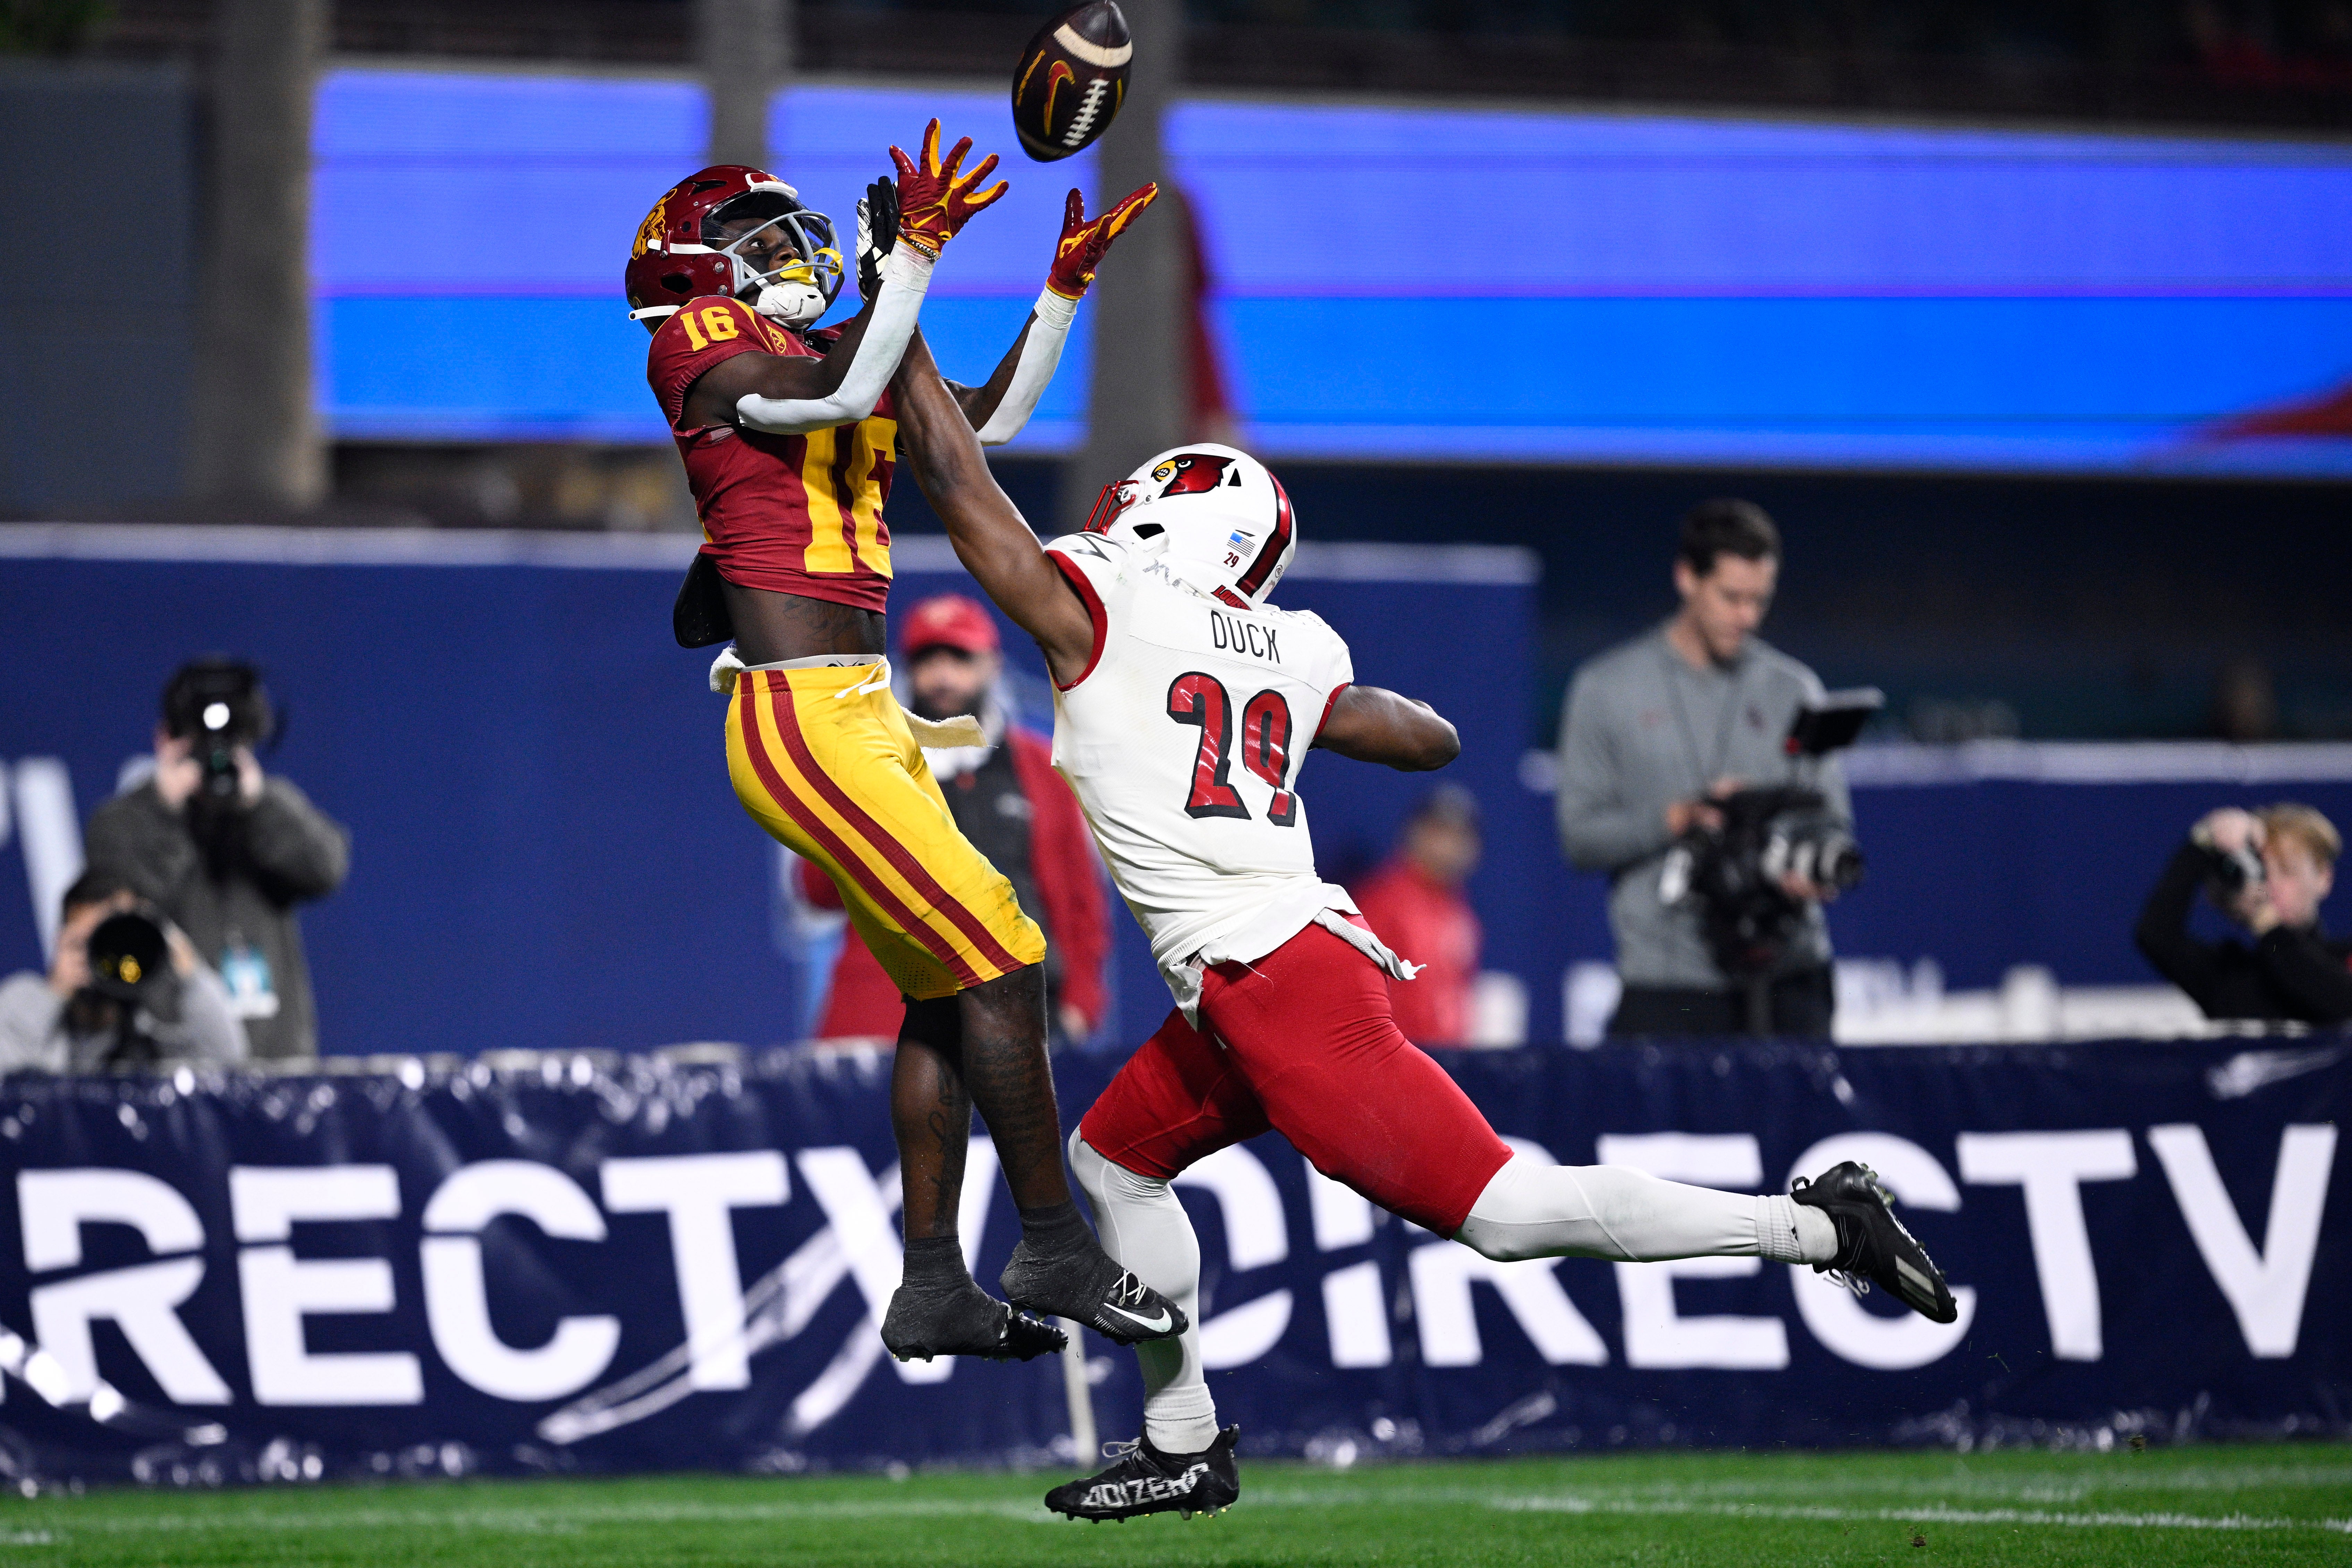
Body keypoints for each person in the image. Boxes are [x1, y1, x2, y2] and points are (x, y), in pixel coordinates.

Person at [884, 338, 1957, 1525]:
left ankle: (1817, 1221)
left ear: (1181, 520)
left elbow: (953, 479)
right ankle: (1180, 1433)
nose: (1126, 505)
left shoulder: (1105, 609)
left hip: (1276, 982)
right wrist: (1293, 707)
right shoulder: (1292, 645)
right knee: (1113, 1157)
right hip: (1260, 969)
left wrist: (905, 317)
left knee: (1505, 1209)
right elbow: (1426, 734)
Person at [632, 121, 1182, 1362]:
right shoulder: (699, 346)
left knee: (949, 981)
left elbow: (970, 426)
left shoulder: (824, 346)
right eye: (758, 240)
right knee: (1004, 945)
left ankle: (930, 1279)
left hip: (860, 706)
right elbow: (832, 392)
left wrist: (1055, 292)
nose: (791, 254)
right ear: (692, 269)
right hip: (798, 711)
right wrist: (910, 266)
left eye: (796, 233)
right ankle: (1048, 1236)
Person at [1556, 500, 1850, 1037]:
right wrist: (1676, 818)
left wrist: (1806, 869)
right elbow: (1579, 838)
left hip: (1790, 978)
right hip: (1671, 989)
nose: (1747, 617)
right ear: (1687, 577)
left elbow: (1834, 823)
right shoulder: (1605, 690)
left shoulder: (1795, 690)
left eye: (1759, 600)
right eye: (1731, 597)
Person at [794, 593, 1110, 1048]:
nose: (943, 675)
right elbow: (816, 890)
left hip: (1021, 1016)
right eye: (927, 658)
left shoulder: (1043, 769)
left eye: (960, 657)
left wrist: (1080, 1004)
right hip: (890, 1019)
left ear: (992, 665)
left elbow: (1081, 902)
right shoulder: (873, 763)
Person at [84, 660, 347, 1061]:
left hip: (275, 1066)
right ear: (163, 739)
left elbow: (326, 869)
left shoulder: (265, 807)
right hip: (168, 1064)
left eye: (228, 738)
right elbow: (124, 906)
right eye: (196, 739)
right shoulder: (123, 821)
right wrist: (167, 811)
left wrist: (257, 805)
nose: (213, 752)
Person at [0, 870, 247, 1073]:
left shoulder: (150, 1031)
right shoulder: (24, 1002)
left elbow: (228, 1063)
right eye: (88, 940)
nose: (106, 954)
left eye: (115, 938)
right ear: (64, 939)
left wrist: (186, 967)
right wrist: (55, 992)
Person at [2135, 804, 2352, 1024]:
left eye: (2287, 871)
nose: (2271, 885)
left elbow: (2339, 1001)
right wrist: (2205, 840)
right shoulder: (2230, 975)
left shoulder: (2343, 961)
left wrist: (2269, 927)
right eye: (2262, 871)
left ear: (2325, 878)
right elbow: (2156, 934)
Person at [1352, 786, 1482, 1046]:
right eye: (1439, 832)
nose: (1449, 847)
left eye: (1460, 836)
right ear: (1414, 833)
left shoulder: (1460, 911)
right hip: (1395, 1059)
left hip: (1450, 1060)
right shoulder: (1382, 901)